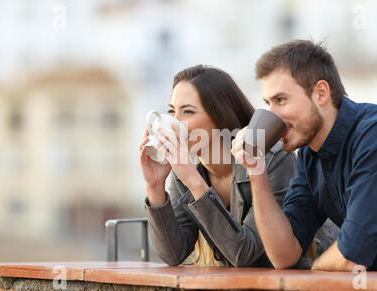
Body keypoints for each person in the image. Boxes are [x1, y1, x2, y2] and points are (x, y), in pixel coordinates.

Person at [231, 40, 377, 271]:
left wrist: (315, 276)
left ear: (321, 93)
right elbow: (283, 255)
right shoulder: (310, 154)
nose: (273, 115)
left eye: (281, 100)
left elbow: (351, 255)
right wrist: (256, 170)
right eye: (268, 103)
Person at [140, 65, 334, 267]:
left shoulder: (271, 158)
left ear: (219, 116)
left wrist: (195, 183)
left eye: (188, 112)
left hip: (312, 281)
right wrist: (154, 186)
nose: (174, 122)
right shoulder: (185, 174)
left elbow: (245, 253)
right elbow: (173, 253)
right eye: (172, 111)